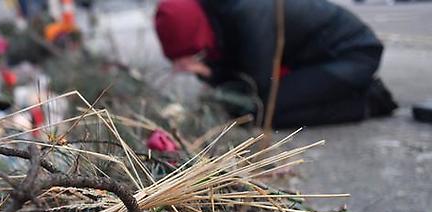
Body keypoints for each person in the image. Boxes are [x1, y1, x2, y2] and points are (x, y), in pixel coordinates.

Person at [154, 0, 397, 129]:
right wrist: (208, 69)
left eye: (192, 55)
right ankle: (340, 91)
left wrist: (211, 74)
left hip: (353, 54)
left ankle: (368, 102)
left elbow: (257, 87)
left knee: (264, 113)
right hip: (313, 59)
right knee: (249, 110)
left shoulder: (247, 12)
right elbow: (237, 67)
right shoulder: (217, 15)